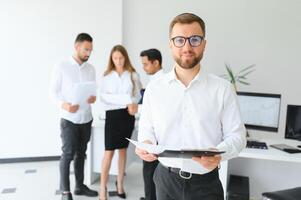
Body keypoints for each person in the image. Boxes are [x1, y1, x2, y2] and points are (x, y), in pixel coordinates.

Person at [135, 13, 246, 200]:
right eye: (179, 40)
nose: (187, 47)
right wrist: (146, 144)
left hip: (206, 184)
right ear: (170, 44)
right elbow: (146, 130)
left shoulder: (222, 89)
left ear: (204, 44)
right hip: (165, 181)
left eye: (194, 39)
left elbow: (237, 136)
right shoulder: (154, 89)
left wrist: (219, 153)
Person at [50, 33, 98, 200]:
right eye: (86, 49)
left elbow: (92, 92)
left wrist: (94, 97)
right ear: (76, 46)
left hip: (86, 118)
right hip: (69, 120)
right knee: (68, 154)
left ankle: (79, 186)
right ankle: (65, 191)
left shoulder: (91, 69)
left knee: (81, 153)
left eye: (90, 50)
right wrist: (65, 105)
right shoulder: (61, 66)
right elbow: (53, 93)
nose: (88, 53)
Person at [98, 45, 142, 200]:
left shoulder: (133, 74)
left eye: (121, 58)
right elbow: (103, 97)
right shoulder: (106, 76)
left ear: (125, 57)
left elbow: (137, 95)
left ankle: (120, 183)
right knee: (108, 152)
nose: (118, 61)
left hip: (127, 116)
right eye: (115, 58)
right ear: (112, 58)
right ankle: (102, 189)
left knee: (123, 150)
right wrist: (124, 99)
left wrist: (133, 102)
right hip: (112, 116)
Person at [139, 48, 164, 200]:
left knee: (150, 173)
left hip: (155, 137)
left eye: (146, 64)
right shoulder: (154, 81)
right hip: (152, 135)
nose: (143, 67)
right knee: (150, 172)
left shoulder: (160, 83)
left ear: (156, 63)